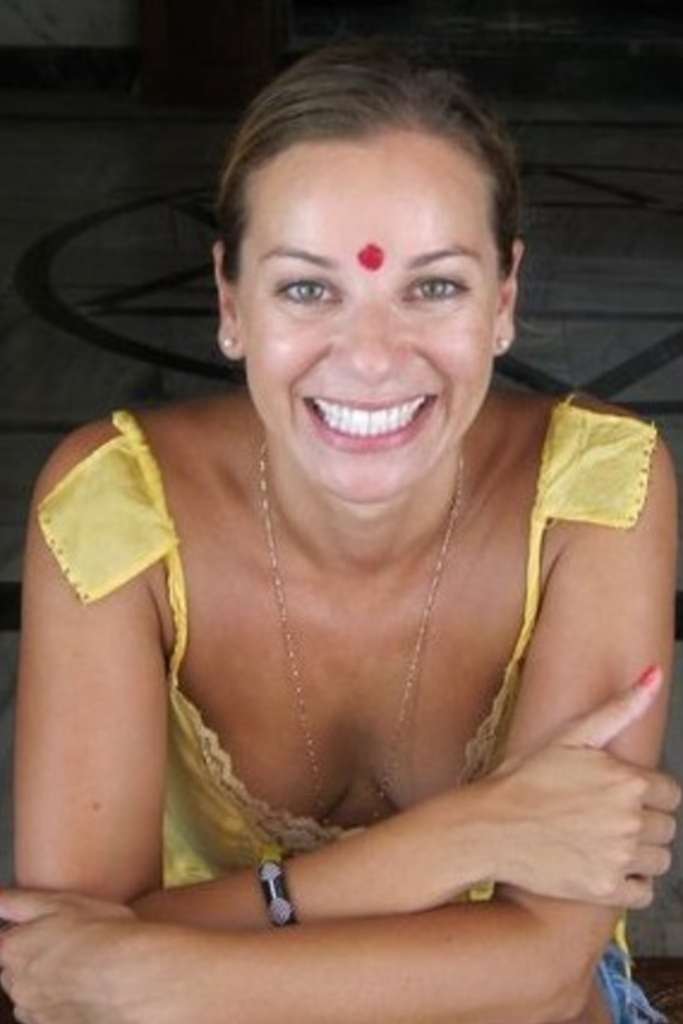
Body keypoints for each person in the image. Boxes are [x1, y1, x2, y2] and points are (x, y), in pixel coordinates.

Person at [0, 40, 680, 1024]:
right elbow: (70, 953)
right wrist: (463, 838)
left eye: (434, 286)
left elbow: (539, 979)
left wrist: (156, 972)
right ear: (230, 302)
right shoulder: (116, 509)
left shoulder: (596, 493)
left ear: (504, 299)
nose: (370, 357)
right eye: (308, 288)